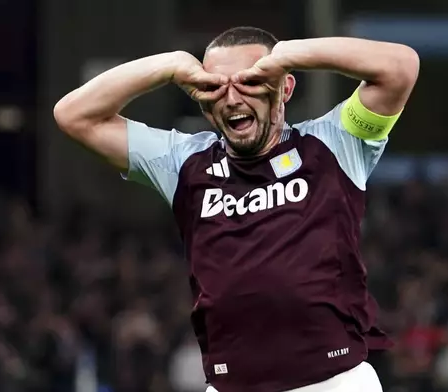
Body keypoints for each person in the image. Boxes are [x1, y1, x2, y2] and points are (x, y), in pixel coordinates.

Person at [54, 26, 419, 392]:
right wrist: (170, 65)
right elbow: (74, 115)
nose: (231, 99)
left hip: (335, 382)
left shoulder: (335, 143)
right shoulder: (183, 163)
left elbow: (400, 67)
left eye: (250, 82)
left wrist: (289, 54)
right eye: (215, 87)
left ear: (285, 87)